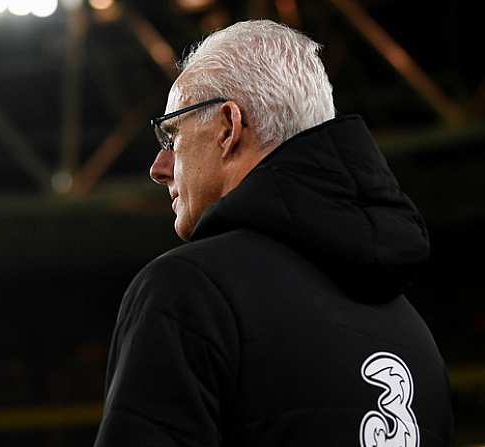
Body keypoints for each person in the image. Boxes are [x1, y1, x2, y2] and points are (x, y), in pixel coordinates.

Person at [93, 20, 452, 446]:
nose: (159, 167)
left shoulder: (190, 291)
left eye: (171, 134)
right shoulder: (416, 338)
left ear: (228, 126)